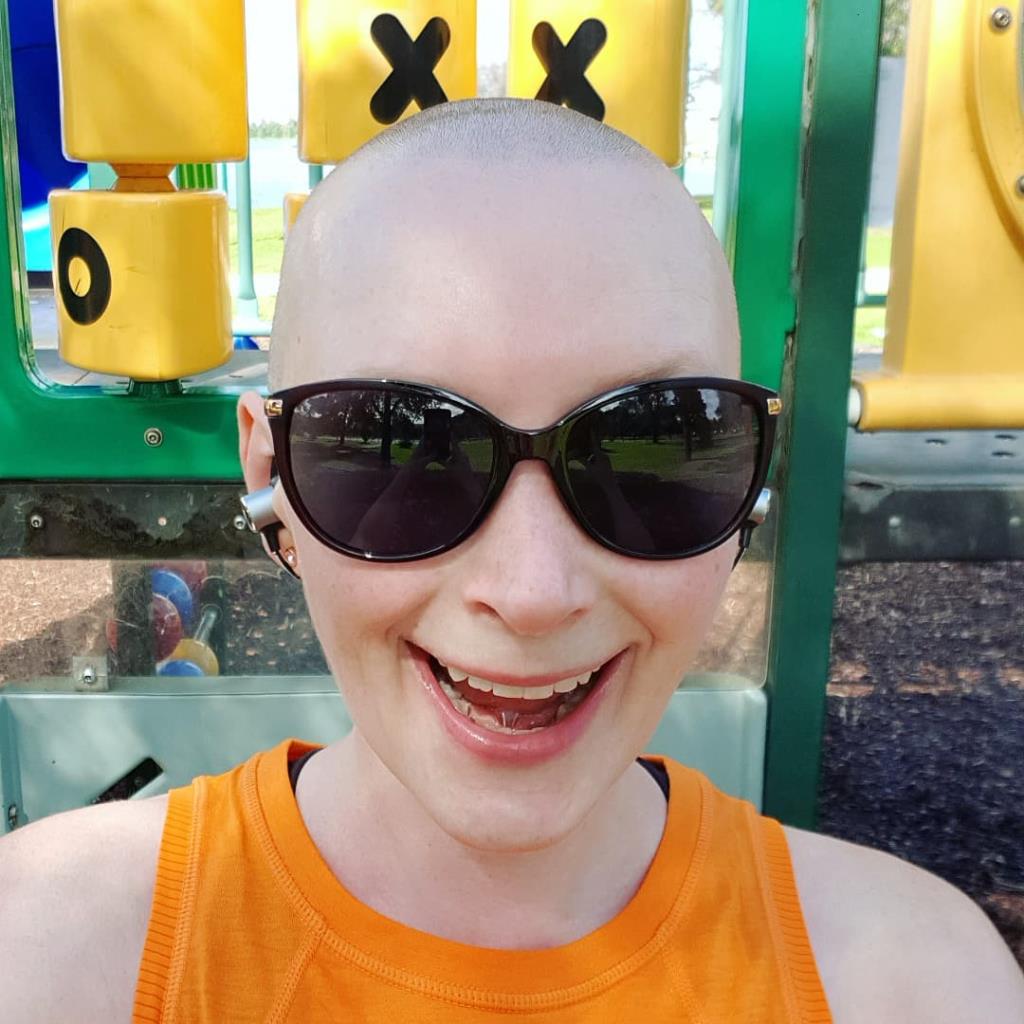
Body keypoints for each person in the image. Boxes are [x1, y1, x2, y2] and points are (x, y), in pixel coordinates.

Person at [2, 98, 1022, 1023]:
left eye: (654, 446)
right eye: (402, 451)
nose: (533, 592)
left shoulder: (916, 982)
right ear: (272, 481)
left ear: (750, 484)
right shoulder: (52, 953)